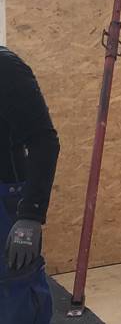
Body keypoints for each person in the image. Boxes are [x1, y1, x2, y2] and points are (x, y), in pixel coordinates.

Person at [1, 46, 60, 323]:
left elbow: (43, 140)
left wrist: (30, 216)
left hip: (6, 203)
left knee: (15, 294)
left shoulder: (5, 68)